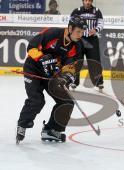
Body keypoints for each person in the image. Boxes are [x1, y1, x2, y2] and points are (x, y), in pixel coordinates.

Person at [16, 15, 87, 144]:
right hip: (33, 69)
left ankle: (51, 130)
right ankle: (22, 125)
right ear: (70, 28)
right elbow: (31, 47)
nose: (80, 35)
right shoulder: (52, 33)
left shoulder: (76, 46)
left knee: (67, 102)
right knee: (37, 100)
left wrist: (66, 77)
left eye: (82, 32)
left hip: (51, 75)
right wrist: (41, 58)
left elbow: (71, 66)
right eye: (78, 31)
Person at [70, 0, 104, 90]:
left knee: (95, 61)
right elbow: (70, 23)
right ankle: (74, 81)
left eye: (89, 0)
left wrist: (95, 30)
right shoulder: (77, 11)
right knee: (77, 61)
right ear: (83, 1)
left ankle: (99, 82)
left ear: (92, 1)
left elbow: (101, 23)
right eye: (86, 0)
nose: (88, 2)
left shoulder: (97, 11)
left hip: (92, 40)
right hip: (79, 40)